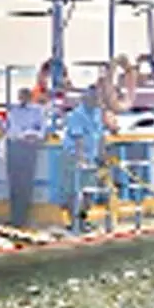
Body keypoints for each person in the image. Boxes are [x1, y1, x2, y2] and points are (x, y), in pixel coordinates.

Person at [61, 86, 106, 229]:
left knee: (89, 190)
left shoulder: (98, 113)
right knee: (74, 190)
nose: (97, 101)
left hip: (91, 156)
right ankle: (73, 221)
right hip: (74, 156)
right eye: (94, 98)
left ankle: (83, 219)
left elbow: (100, 135)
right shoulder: (76, 115)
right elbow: (78, 138)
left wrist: (101, 155)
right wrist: (81, 160)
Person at [4, 87, 47, 228]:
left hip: (29, 148)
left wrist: (33, 136)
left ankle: (23, 218)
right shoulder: (13, 111)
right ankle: (14, 217)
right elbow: (10, 130)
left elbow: (42, 130)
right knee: (14, 184)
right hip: (15, 147)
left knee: (26, 185)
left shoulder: (37, 111)